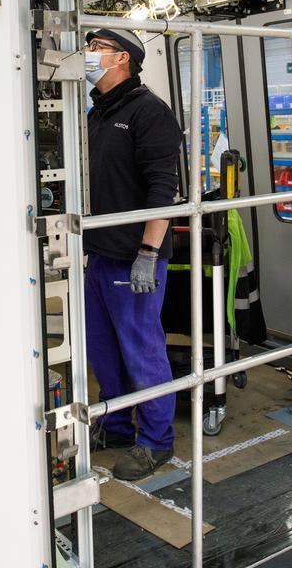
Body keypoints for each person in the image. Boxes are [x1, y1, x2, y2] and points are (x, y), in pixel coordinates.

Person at [82, 27, 183, 481]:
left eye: (94, 48)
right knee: (102, 350)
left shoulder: (149, 112)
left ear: (121, 58)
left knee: (142, 351)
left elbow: (164, 188)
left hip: (135, 258)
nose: (86, 54)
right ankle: (118, 424)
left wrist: (148, 251)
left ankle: (157, 441)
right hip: (101, 254)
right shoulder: (97, 114)